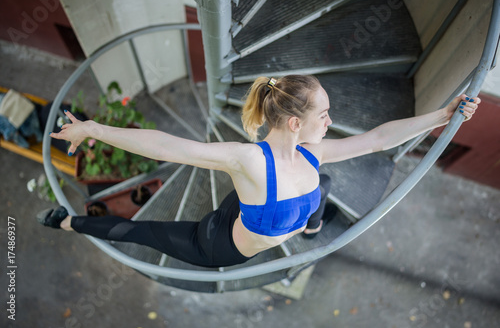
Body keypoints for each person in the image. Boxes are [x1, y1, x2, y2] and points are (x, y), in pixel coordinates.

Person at [36, 75, 480, 268]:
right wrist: (93, 128)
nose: (330, 121)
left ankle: (309, 223)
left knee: (320, 186)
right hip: (218, 244)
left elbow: (379, 139)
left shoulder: (312, 156)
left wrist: (443, 116)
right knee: (141, 232)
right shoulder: (246, 160)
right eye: (324, 114)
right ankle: (69, 222)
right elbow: (166, 145)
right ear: (294, 123)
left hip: (254, 205)